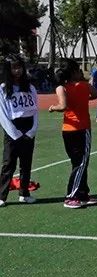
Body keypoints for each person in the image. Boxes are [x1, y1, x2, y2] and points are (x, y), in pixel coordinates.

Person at [48, 59, 97, 208]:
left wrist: (53, 107)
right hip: (82, 129)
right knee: (81, 163)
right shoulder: (84, 86)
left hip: (67, 130)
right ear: (74, 72)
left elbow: (63, 106)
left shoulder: (62, 88)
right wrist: (86, 97)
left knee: (77, 163)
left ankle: (82, 193)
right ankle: (71, 195)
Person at [0, 57, 38, 207]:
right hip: (12, 128)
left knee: (26, 164)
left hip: (28, 128)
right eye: (14, 68)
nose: (17, 71)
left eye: (20, 67)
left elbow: (35, 111)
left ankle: (24, 193)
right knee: (8, 164)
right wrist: (14, 133)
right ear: (8, 70)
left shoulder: (30, 88)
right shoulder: (3, 89)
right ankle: (2, 197)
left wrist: (32, 131)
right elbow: (2, 114)